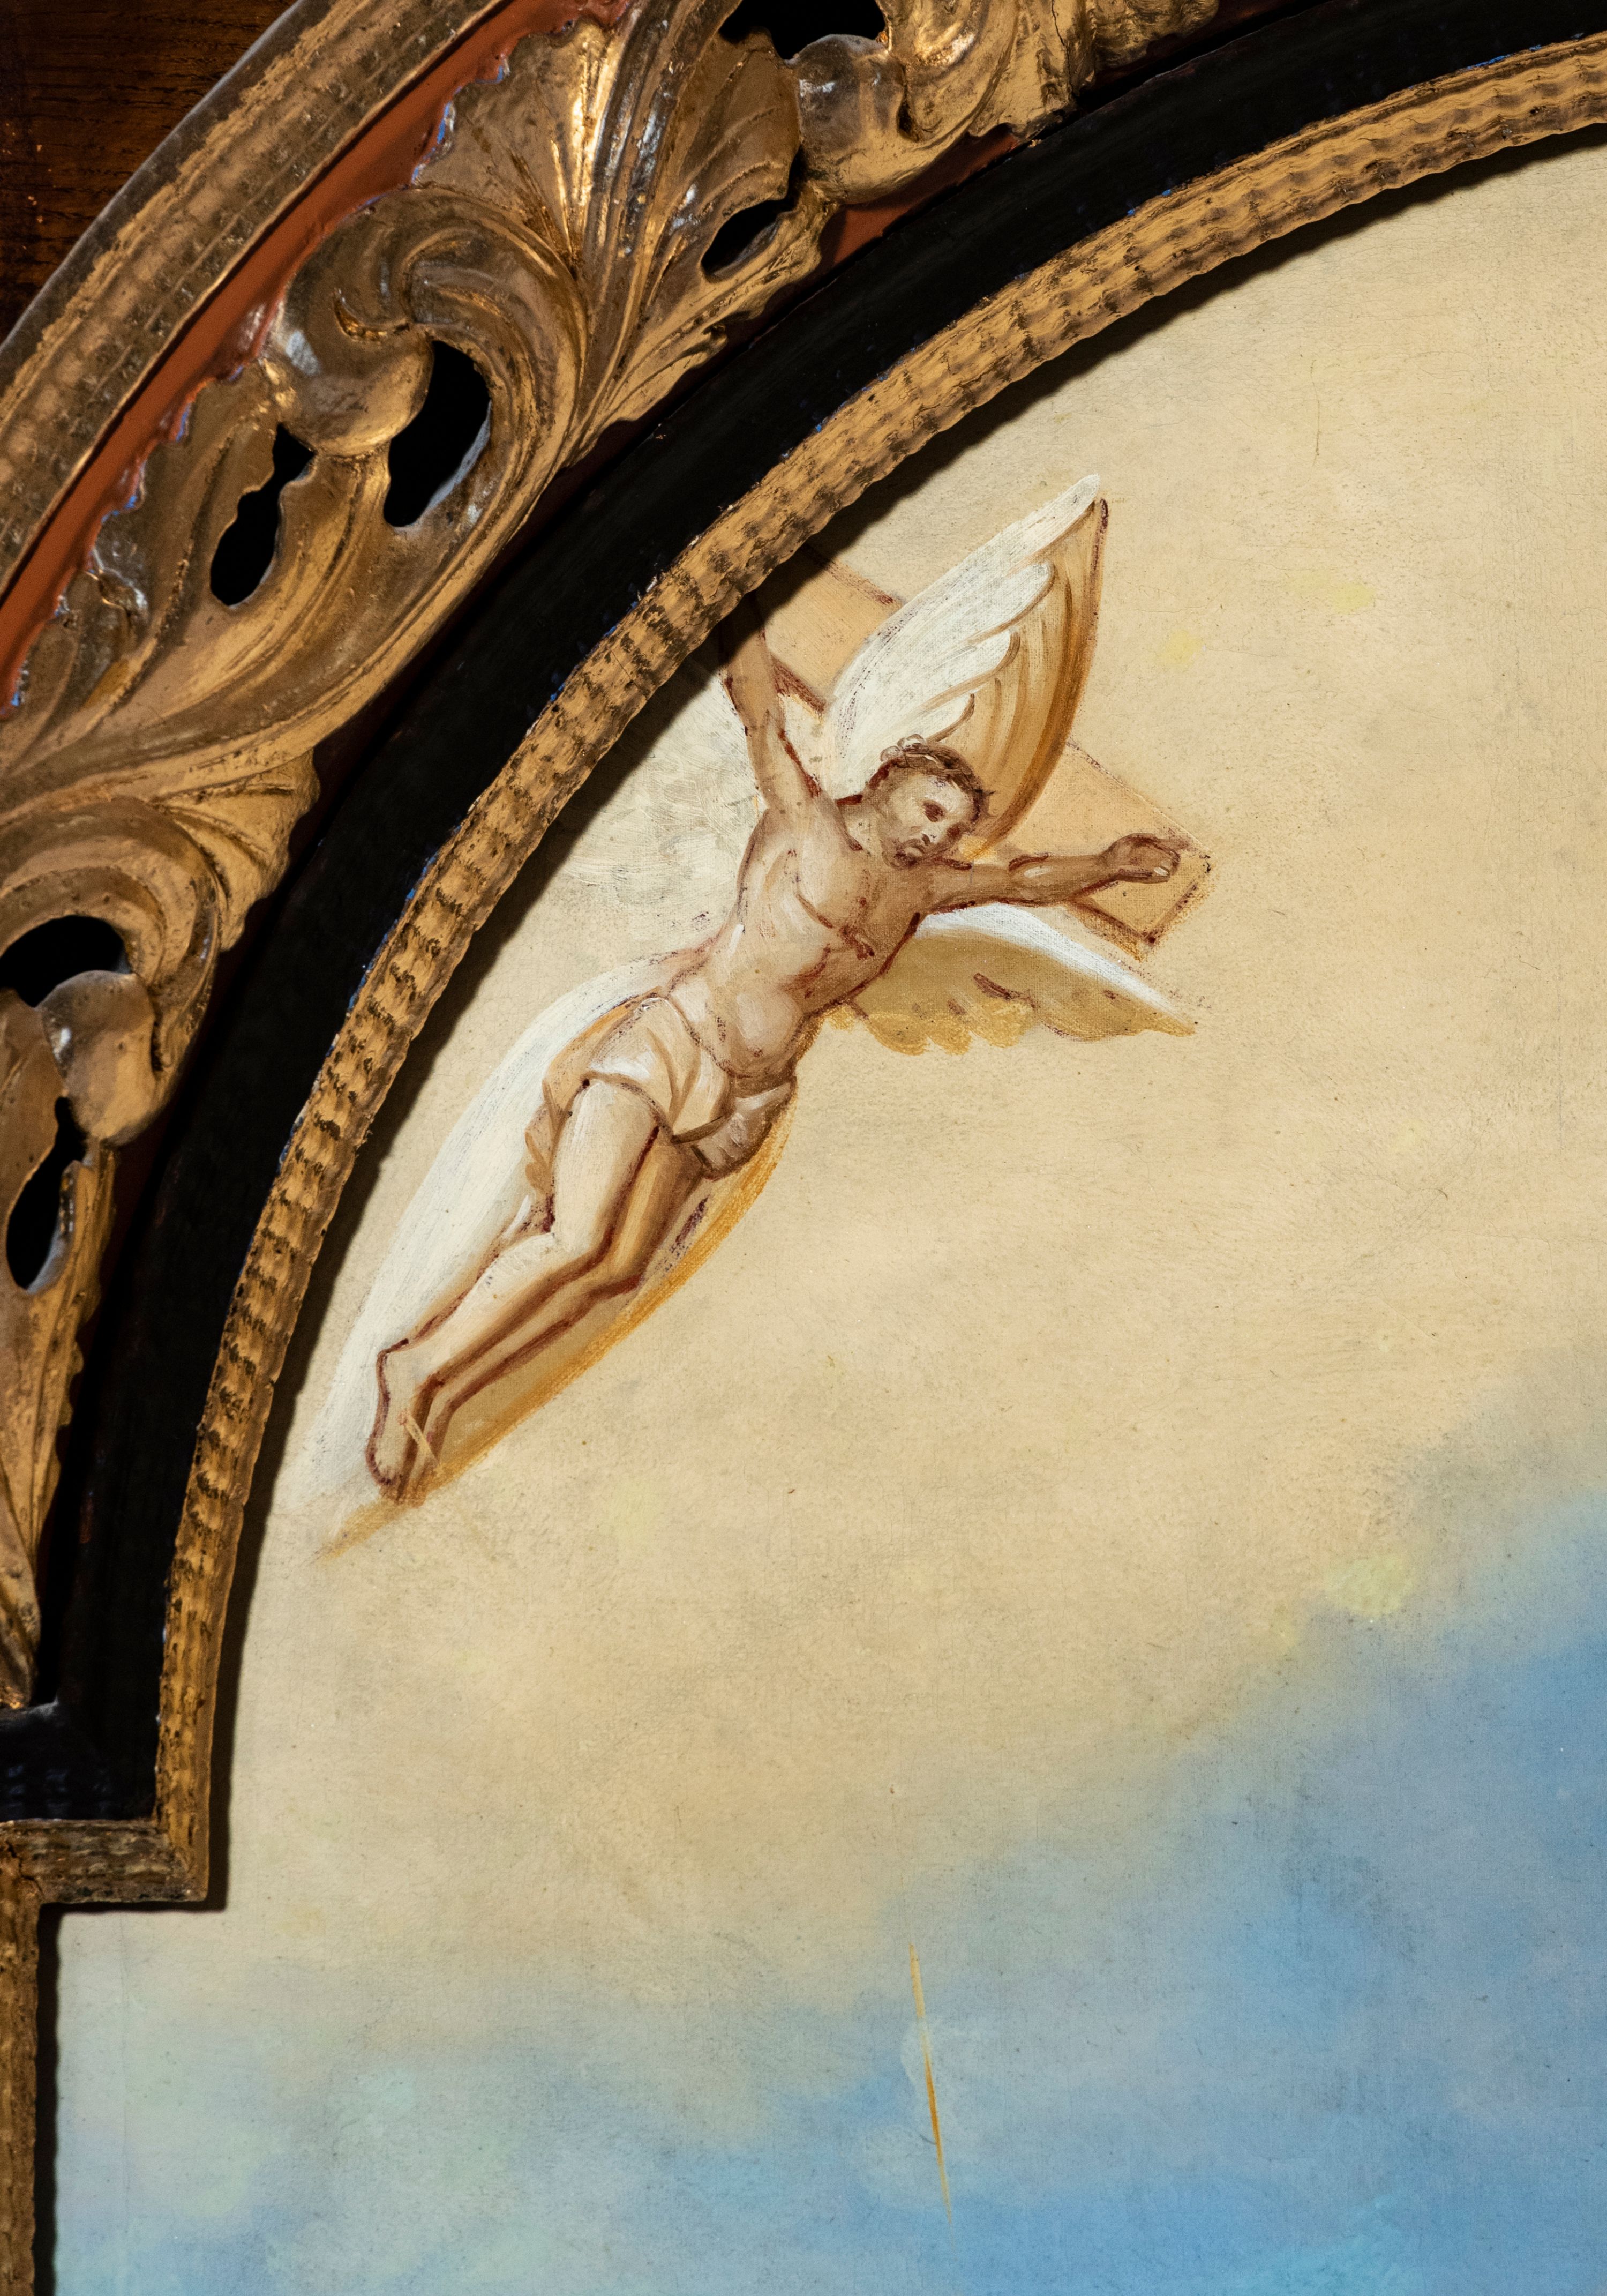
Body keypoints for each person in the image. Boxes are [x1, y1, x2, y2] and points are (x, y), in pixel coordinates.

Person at [366, 609, 1181, 1496]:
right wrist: (738, 597)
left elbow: (1021, 881)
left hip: (745, 1093)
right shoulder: (806, 819)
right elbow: (759, 709)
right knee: (576, 1237)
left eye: (950, 832)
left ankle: (447, 1394)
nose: (936, 839)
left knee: (616, 1269)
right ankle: (416, 1366)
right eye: (930, 812)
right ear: (887, 781)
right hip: (677, 1042)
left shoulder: (918, 890)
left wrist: (1108, 862)